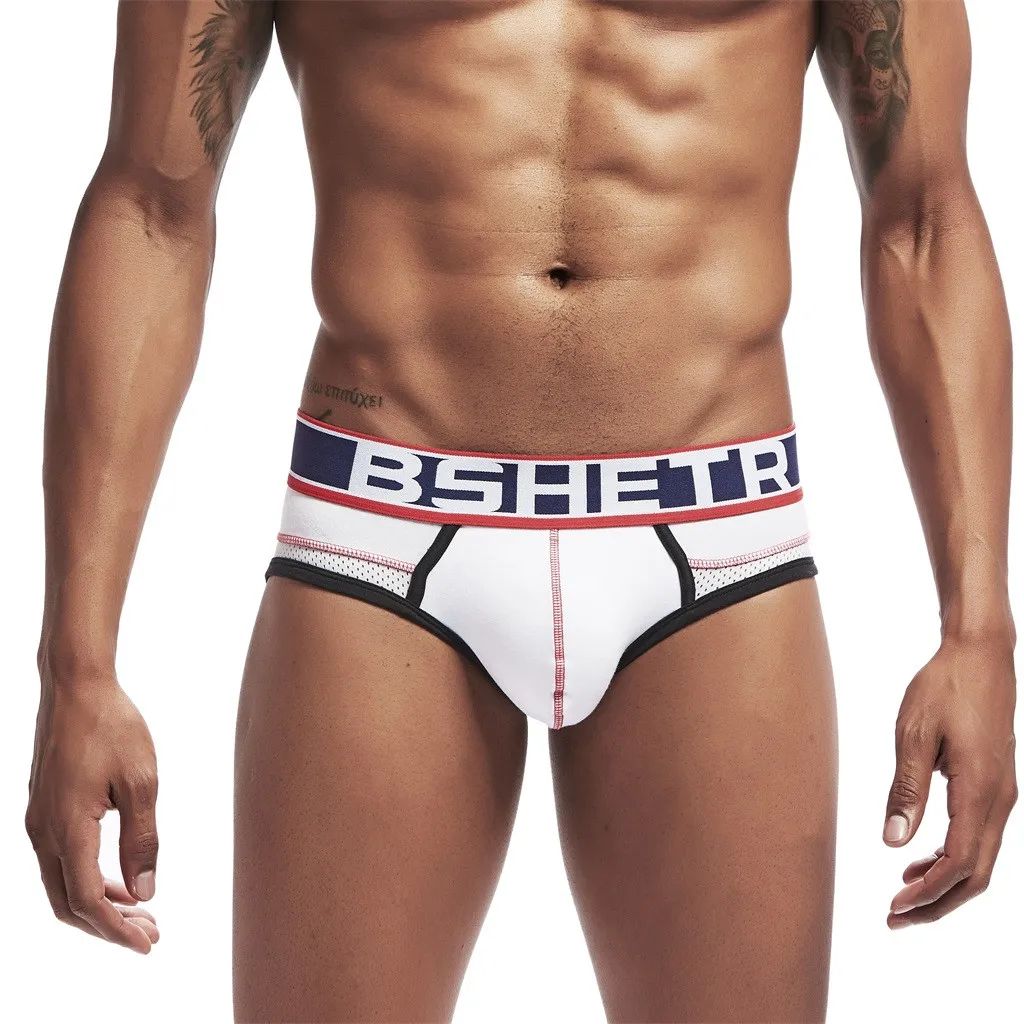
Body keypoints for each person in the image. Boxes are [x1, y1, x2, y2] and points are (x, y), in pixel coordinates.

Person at [25, 1, 1017, 1021]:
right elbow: (151, 208)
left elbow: (923, 214)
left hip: (718, 538)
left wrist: (979, 626)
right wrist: (77, 664)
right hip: (380, 531)